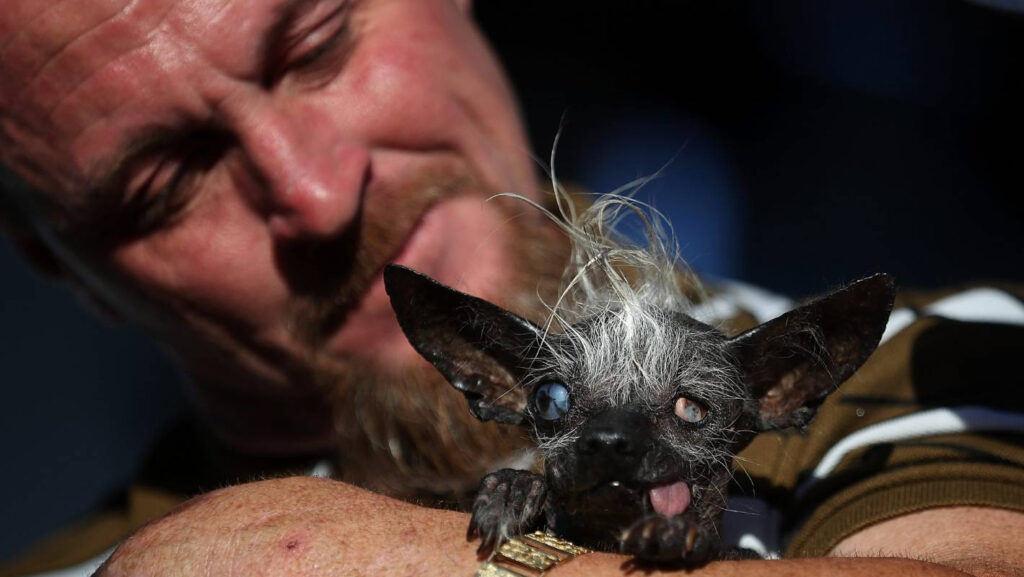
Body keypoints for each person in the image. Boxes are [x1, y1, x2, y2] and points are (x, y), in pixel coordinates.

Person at [0, 1, 1021, 576]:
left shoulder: (938, 368)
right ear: (63, 263)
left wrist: (345, 560)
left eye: (316, 43)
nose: (314, 189)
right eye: (163, 180)